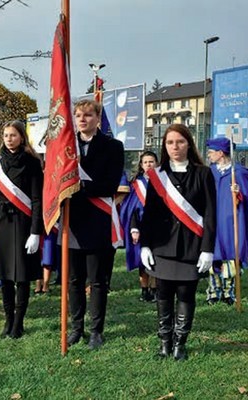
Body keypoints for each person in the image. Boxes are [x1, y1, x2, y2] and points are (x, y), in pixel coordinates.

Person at [140, 124, 216, 361]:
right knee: (163, 295)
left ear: (189, 144)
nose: (175, 147)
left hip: (192, 246)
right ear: (164, 146)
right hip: (163, 246)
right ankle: (164, 342)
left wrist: (207, 249)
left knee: (185, 294)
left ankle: (180, 344)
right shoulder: (158, 176)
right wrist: (144, 245)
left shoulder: (203, 173)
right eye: (170, 142)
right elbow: (149, 213)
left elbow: (210, 213)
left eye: (180, 142)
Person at [62, 99, 124, 349]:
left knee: (97, 281)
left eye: (88, 115)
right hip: (72, 222)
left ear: (98, 118)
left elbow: (110, 185)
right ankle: (77, 328)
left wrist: (79, 188)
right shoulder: (65, 147)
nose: (82, 119)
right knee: (74, 280)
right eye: (78, 115)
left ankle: (96, 330)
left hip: (99, 220)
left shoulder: (113, 146)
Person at [0, 120, 43, 339]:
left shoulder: (32, 163)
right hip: (1, 224)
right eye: (6, 135)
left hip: (23, 223)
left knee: (21, 276)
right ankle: (8, 321)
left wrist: (36, 232)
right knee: (4, 277)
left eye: (13, 135)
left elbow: (37, 200)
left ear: (21, 137)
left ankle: (19, 323)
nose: (9, 139)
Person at [205, 137, 248, 305]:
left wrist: (239, 193)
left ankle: (228, 291)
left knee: (231, 255)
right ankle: (213, 290)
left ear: (220, 153)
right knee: (213, 254)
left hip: (232, 221)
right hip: (213, 220)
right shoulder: (209, 172)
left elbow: (245, 197)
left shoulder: (239, 172)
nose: (208, 155)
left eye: (211, 152)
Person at [119, 151, 159, 302]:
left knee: (156, 259)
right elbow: (131, 210)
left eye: (152, 161)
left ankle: (155, 289)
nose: (149, 164)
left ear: (157, 163)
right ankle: (144, 290)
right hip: (140, 227)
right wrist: (134, 229)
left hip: (158, 227)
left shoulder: (163, 181)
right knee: (142, 260)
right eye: (146, 162)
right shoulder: (136, 184)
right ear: (141, 165)